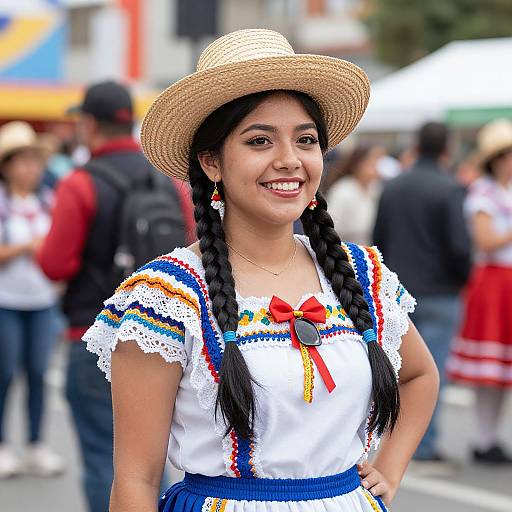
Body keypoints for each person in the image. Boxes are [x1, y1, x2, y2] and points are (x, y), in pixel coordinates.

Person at [84, 29, 439, 511]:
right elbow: (136, 480)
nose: (289, 161)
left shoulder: (361, 273)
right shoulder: (166, 299)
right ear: (211, 161)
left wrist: (388, 471)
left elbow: (419, 376)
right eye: (259, 141)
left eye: (306, 140)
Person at [37, 80, 195, 512]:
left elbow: (55, 264)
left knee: (105, 461)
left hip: (92, 332)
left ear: (89, 123)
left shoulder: (79, 183)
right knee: (152, 461)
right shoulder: (168, 183)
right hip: (164, 336)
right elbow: (192, 247)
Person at [373, 122, 472, 465]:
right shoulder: (450, 188)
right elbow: (460, 245)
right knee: (429, 371)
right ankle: (423, 444)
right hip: (441, 289)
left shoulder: (394, 184)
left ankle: (390, 440)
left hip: (397, 287)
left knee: (394, 369)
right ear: (446, 148)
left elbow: (378, 236)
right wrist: (463, 278)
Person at [0, 121, 64, 478]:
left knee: (39, 372)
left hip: (42, 301)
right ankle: (3, 446)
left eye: (34, 161)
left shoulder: (47, 201)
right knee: (5, 374)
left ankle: (36, 444)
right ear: (7, 166)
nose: (30, 169)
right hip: (6, 301)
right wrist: (26, 247)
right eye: (22, 161)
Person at [446, 119, 512, 464]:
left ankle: (491, 437)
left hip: (508, 281)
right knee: (491, 370)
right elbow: (485, 240)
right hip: (494, 281)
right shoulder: (483, 193)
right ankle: (483, 438)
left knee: (502, 371)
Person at [325, 144, 383, 246]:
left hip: (369, 252)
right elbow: (331, 229)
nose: (377, 168)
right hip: (346, 252)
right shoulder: (343, 190)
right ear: (358, 164)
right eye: (372, 163)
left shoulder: (375, 188)